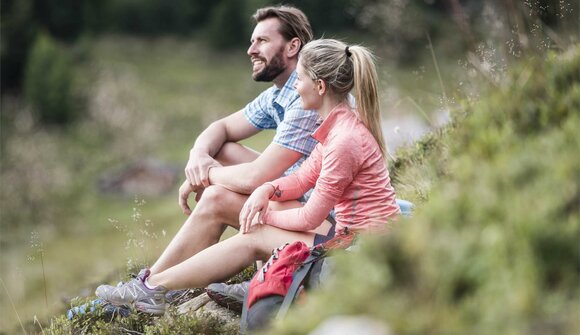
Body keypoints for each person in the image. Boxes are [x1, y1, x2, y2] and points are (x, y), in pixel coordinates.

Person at [95, 38, 400, 316]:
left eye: (302, 80)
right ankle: (151, 287)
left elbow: (310, 216)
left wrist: (263, 213)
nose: (296, 87)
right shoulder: (338, 128)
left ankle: (151, 289)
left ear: (320, 87)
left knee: (253, 235)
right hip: (346, 234)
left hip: (359, 243)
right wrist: (266, 189)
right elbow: (302, 179)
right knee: (255, 223)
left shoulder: (344, 138)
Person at [94, 5, 328, 315]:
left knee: (217, 195)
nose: (250, 50)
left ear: (292, 46)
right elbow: (221, 128)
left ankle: (153, 288)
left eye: (261, 41)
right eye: (251, 41)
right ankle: (150, 286)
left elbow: (256, 177)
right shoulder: (278, 94)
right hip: (305, 201)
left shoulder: (305, 98)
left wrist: (205, 176)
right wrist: (197, 158)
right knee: (221, 150)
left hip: (320, 218)